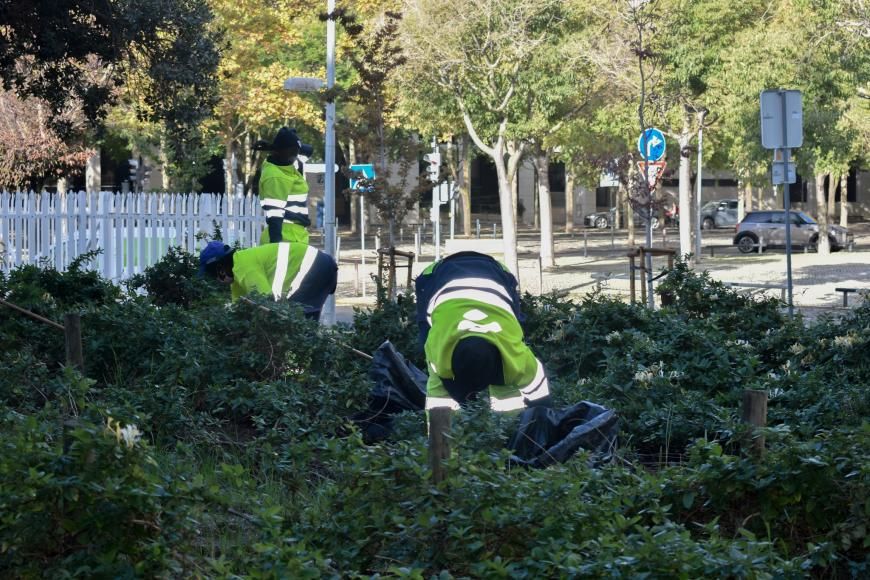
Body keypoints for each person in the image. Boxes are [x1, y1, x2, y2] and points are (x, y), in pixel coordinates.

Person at [415, 251, 552, 413]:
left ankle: (507, 414)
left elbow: (542, 398)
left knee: (514, 343)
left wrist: (543, 423)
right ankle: (506, 418)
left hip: (499, 273)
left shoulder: (516, 357)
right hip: (434, 276)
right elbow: (437, 400)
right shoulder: (438, 353)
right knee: (426, 341)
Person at [199, 240, 337, 320]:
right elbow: (239, 311)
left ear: (220, 269)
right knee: (300, 323)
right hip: (320, 265)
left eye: (213, 275)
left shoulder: (244, 268)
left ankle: (305, 367)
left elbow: (266, 303)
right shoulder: (238, 277)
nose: (216, 280)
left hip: (314, 267)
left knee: (296, 323)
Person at [256, 127, 314, 246]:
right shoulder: (275, 176)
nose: (295, 155)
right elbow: (274, 213)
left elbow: (309, 150)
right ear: (279, 151)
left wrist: (273, 146)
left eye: (296, 151)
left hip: (294, 234)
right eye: (292, 151)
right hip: (284, 237)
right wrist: (275, 247)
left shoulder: (288, 163)